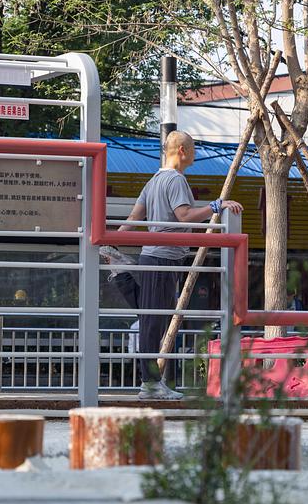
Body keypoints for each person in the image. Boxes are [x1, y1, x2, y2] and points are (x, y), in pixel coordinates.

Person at [101, 130, 243, 400]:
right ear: (181, 150)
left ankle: (120, 271)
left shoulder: (153, 180)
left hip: (154, 257)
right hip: (164, 258)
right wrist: (216, 206)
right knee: (153, 321)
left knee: (151, 316)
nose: (195, 153)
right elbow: (184, 216)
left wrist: (113, 241)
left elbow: (134, 217)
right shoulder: (176, 180)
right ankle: (150, 384)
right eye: (193, 148)